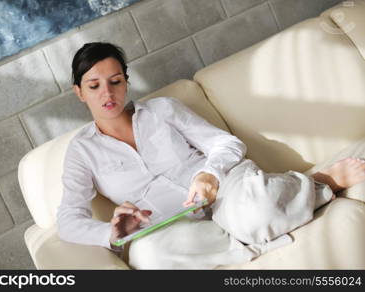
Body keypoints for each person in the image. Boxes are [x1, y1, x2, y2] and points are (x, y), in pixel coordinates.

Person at [56, 42, 365, 268]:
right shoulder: (82, 152)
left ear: (126, 82)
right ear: (79, 92)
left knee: (257, 207)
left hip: (226, 192)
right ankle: (256, 229)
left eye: (115, 82)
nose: (107, 94)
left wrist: (210, 174)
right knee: (147, 258)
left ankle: (318, 185)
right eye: (94, 86)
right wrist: (111, 233)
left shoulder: (163, 110)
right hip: (176, 227)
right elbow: (69, 220)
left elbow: (227, 144)